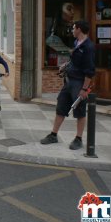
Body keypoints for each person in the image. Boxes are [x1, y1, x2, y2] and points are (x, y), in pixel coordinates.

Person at [41, 20, 95, 150]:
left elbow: (90, 71)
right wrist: (66, 65)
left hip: (79, 83)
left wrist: (84, 89)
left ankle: (78, 139)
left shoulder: (88, 47)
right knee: (61, 106)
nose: (72, 30)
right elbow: (74, 61)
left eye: (74, 28)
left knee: (80, 111)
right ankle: (53, 135)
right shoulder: (77, 43)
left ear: (79, 29)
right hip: (69, 81)